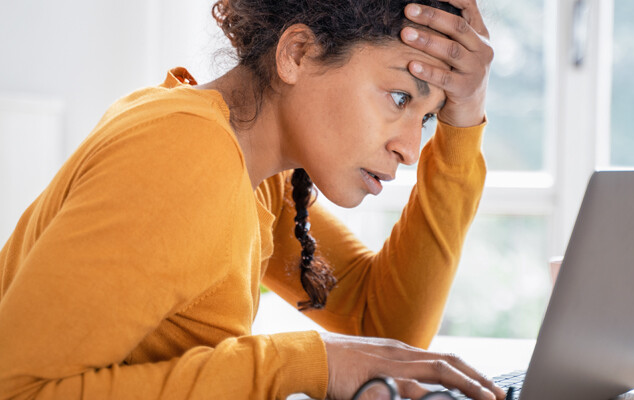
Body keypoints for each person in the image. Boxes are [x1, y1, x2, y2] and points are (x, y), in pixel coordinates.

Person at [0, 0, 499, 398]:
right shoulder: (186, 155)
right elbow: (17, 390)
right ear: (297, 53)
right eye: (399, 98)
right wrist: (305, 365)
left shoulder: (258, 174)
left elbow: (384, 328)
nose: (411, 150)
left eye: (429, 118)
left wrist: (466, 115)